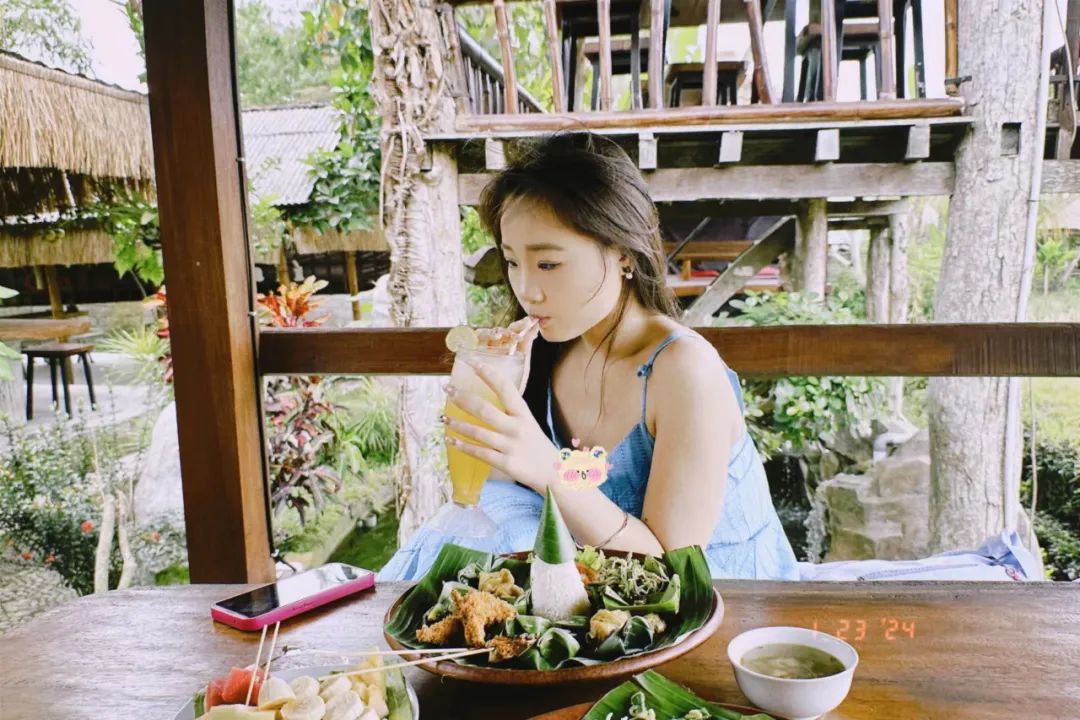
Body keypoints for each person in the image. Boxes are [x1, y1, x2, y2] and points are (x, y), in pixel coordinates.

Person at [379, 133, 797, 581]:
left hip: (725, 600)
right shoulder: (549, 350)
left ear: (623, 253)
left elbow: (675, 571)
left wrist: (551, 471)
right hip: (601, 597)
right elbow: (500, 505)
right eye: (512, 262)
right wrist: (501, 410)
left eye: (548, 264)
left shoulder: (685, 370)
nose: (526, 290)